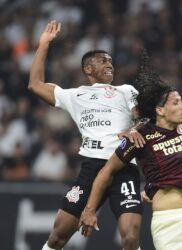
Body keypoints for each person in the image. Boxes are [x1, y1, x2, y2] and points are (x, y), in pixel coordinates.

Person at [78, 50, 182, 250]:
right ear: (160, 110)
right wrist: (90, 209)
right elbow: (107, 171)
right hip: (167, 221)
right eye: (176, 103)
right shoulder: (140, 137)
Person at [28, 21, 144, 250]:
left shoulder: (125, 90)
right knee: (58, 237)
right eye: (103, 60)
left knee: (130, 237)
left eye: (111, 61)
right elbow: (35, 84)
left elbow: (140, 117)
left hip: (123, 166)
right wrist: (43, 44)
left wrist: (134, 128)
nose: (110, 64)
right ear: (88, 69)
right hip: (92, 167)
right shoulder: (75, 96)